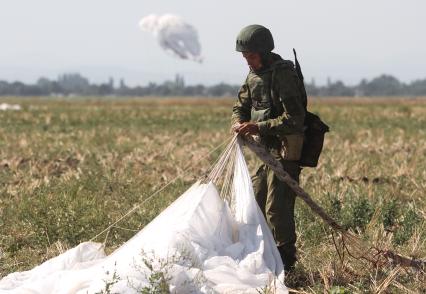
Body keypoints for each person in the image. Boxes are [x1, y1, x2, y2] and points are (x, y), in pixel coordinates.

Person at [231, 24, 307, 272]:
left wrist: (259, 127)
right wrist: (239, 123)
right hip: (263, 152)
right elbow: (240, 106)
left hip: (285, 152)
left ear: (263, 52)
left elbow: (295, 118)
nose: (247, 61)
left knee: (278, 208)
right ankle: (261, 260)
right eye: (244, 57)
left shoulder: (283, 75)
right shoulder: (253, 75)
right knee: (254, 202)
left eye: (251, 56)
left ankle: (286, 264)